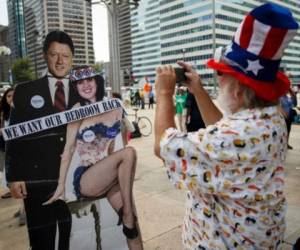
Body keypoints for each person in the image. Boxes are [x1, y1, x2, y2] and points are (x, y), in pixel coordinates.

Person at [154, 3, 298, 249]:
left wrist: (164, 94)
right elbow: (224, 130)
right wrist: (198, 90)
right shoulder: (271, 118)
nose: (218, 81)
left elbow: (163, 146)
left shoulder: (234, 134)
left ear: (240, 90)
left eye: (222, 75)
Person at [44, 65, 143, 250]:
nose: (86, 85)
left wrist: (121, 171)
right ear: (75, 87)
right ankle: (127, 215)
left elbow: (116, 145)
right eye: (80, 82)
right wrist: (60, 187)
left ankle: (129, 218)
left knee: (133, 228)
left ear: (97, 81)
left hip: (109, 176)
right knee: (130, 154)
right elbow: (68, 149)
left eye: (89, 80)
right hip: (86, 177)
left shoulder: (113, 106)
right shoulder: (76, 110)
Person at [5, 30, 76, 250]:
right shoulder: (25, 91)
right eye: (54, 54)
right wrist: (13, 176)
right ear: (46, 55)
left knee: (72, 236)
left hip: (73, 178)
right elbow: (14, 136)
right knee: (41, 241)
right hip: (37, 181)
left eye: (65, 55)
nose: (60, 60)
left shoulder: (84, 90)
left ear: (72, 57)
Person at [0, 88, 14, 199]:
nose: (11, 98)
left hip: (22, 148)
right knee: (9, 170)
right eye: (8, 96)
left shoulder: (23, 110)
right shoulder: (4, 114)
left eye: (13, 95)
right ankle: (11, 190)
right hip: (8, 147)